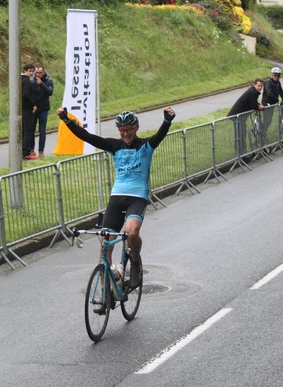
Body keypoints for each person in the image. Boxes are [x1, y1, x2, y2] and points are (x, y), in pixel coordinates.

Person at [56, 106, 176, 297]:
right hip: (117, 197)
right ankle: (105, 291)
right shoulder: (114, 146)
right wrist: (66, 120)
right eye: (122, 131)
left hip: (137, 197)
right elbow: (86, 136)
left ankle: (134, 262)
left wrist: (167, 120)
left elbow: (160, 135)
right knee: (105, 244)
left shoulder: (146, 146)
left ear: (136, 127)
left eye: (128, 130)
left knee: (131, 232)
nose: (125, 134)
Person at [228, 79, 264, 156]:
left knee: (242, 133)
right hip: (237, 115)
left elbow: (252, 102)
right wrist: (260, 107)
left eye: (261, 86)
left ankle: (243, 152)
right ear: (254, 85)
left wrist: (257, 105)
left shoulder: (253, 92)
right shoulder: (253, 92)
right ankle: (240, 153)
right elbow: (253, 105)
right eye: (259, 85)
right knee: (239, 134)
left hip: (241, 116)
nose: (260, 87)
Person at [30, 65, 54, 158]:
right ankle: (31, 149)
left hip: (43, 109)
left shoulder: (48, 81)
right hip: (34, 108)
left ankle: (41, 151)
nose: (38, 74)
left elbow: (50, 92)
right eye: (37, 73)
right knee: (31, 130)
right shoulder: (32, 81)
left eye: (40, 73)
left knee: (42, 130)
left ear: (44, 72)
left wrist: (42, 84)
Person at [261, 67, 283, 146]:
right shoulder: (268, 82)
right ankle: (262, 133)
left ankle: (263, 132)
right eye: (275, 75)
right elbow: (269, 93)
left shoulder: (278, 83)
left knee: (269, 119)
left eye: (278, 76)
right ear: (272, 75)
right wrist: (277, 100)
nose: (276, 77)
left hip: (273, 104)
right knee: (267, 119)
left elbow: (281, 92)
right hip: (267, 103)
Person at [21, 63, 38, 160]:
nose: (31, 73)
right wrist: (33, 104)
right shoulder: (27, 81)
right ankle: (26, 152)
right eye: (29, 71)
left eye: (32, 71)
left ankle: (23, 151)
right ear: (25, 70)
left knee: (24, 130)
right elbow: (26, 95)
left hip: (22, 108)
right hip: (27, 109)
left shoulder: (19, 80)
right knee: (28, 131)